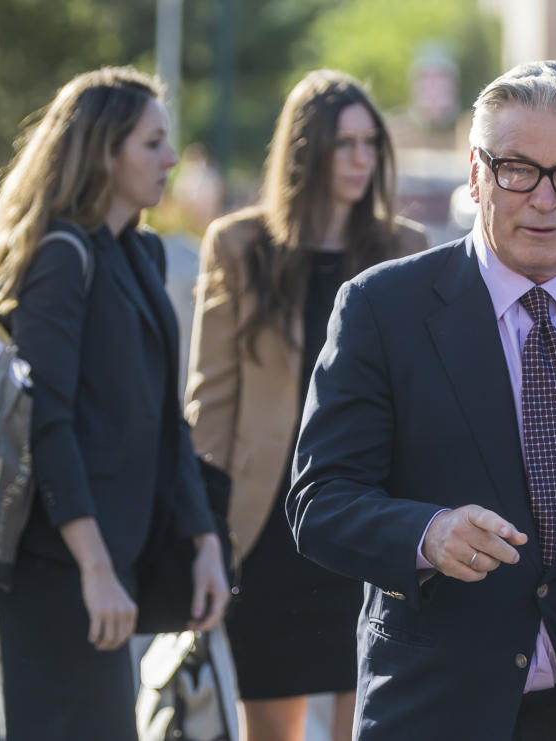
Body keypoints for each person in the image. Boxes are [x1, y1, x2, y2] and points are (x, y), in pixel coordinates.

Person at [286, 58, 556, 740]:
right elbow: (321, 498)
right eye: (517, 168)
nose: (545, 198)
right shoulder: (382, 309)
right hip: (433, 710)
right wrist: (427, 534)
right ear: (475, 173)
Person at [0, 66, 230, 740]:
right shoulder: (59, 257)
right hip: (58, 567)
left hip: (113, 559)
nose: (171, 158)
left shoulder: (140, 254)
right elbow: (46, 421)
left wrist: (203, 540)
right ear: (104, 151)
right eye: (152, 143)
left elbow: (167, 417)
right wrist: (96, 567)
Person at [184, 69, 428, 741]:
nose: (361, 159)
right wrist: (204, 529)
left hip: (366, 517)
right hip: (265, 527)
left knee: (372, 719)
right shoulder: (239, 246)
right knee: (271, 728)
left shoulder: (403, 249)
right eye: (343, 143)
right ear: (305, 151)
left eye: (370, 143)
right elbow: (210, 400)